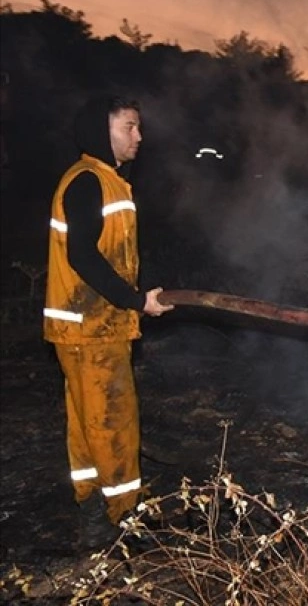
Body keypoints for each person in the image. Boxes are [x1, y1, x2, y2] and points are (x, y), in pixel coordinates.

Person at [43, 95, 172, 549]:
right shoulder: (88, 181)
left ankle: (93, 501)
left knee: (87, 419)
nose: (139, 136)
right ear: (104, 131)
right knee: (114, 420)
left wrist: (134, 298)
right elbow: (82, 255)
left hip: (85, 326)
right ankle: (125, 514)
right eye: (129, 127)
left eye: (138, 127)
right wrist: (136, 301)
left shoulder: (107, 181)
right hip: (91, 326)